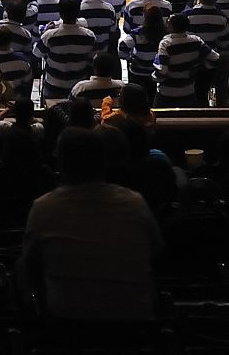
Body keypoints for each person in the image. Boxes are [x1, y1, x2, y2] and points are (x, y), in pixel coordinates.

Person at [21, 128, 163, 320]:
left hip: (67, 328)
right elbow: (156, 254)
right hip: (136, 329)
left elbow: (32, 266)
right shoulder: (135, 202)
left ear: (61, 162)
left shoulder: (44, 207)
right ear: (102, 162)